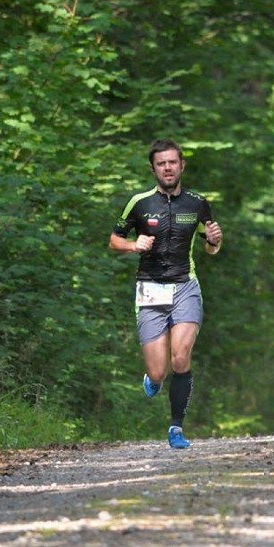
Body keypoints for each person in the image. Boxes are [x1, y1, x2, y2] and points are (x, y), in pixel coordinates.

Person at [108, 139, 223, 449]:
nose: (168, 168)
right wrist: (133, 245)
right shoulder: (140, 203)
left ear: (182, 165)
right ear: (153, 169)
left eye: (173, 162)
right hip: (150, 288)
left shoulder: (197, 203)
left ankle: (176, 428)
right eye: (162, 163)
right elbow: (114, 240)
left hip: (186, 285)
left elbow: (211, 248)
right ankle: (154, 379)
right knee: (158, 371)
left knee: (181, 357)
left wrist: (214, 239)